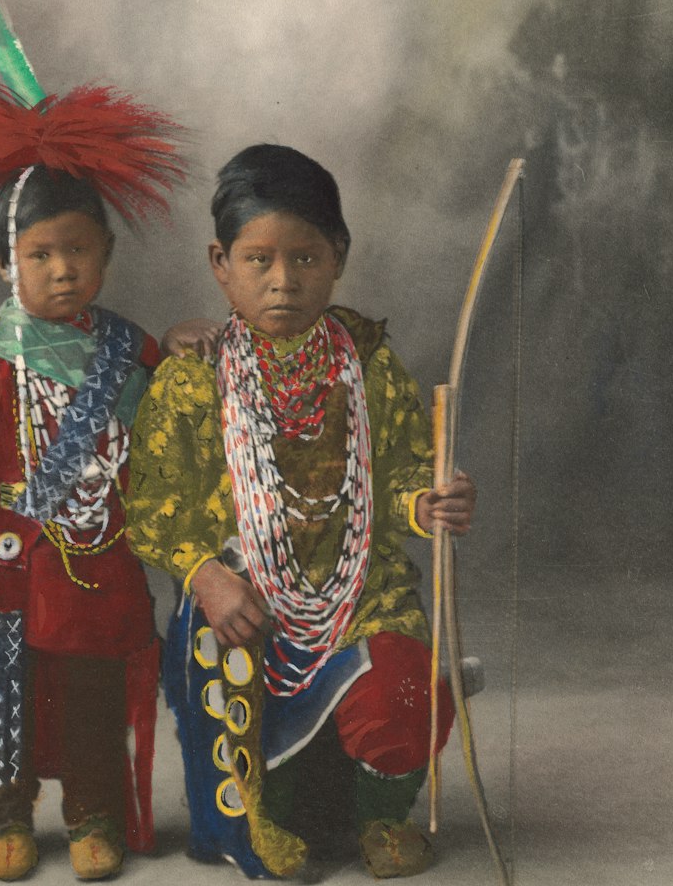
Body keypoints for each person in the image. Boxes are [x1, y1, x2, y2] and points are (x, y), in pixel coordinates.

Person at [0, 0, 210, 882]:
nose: (63, 270)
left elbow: (167, 424)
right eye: (41, 254)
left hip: (98, 562)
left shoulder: (133, 351)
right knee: (6, 693)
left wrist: (191, 348)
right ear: (6, 266)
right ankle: (4, 816)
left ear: (107, 254)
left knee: (87, 699)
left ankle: (94, 818)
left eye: (79, 250)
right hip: (10, 556)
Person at [126, 143, 476, 880]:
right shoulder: (196, 379)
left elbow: (404, 469)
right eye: (259, 260)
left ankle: (382, 816)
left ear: (339, 257)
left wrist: (427, 500)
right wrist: (207, 580)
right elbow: (156, 505)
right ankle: (274, 811)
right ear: (220, 263)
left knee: (407, 689)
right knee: (273, 805)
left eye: (307, 259)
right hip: (245, 605)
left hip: (359, 595)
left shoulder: (367, 361)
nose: (283, 281)